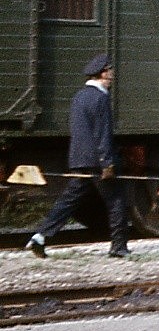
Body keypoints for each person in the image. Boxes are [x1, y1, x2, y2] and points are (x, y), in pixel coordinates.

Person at [25, 54, 131, 258]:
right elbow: (102, 133)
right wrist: (107, 163)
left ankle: (40, 237)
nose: (112, 76)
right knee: (116, 201)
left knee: (68, 201)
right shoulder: (101, 99)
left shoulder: (79, 97)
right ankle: (119, 247)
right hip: (98, 162)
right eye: (110, 72)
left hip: (79, 159)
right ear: (103, 74)